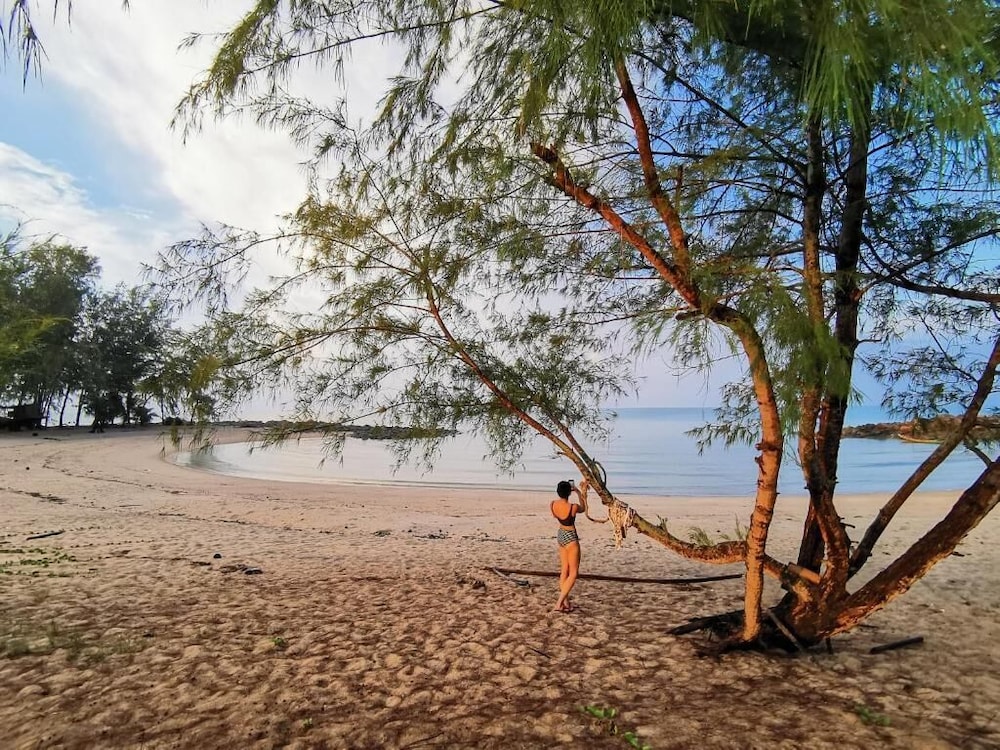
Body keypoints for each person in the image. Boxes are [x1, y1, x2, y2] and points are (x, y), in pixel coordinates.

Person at [550, 477, 588, 612]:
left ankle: (566, 603)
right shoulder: (572, 507)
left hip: (561, 535)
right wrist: (578, 492)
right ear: (569, 492)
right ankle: (559, 603)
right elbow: (583, 507)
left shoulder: (553, 504)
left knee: (564, 570)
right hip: (571, 537)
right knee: (573, 573)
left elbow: (556, 516)